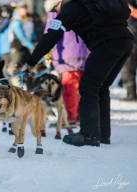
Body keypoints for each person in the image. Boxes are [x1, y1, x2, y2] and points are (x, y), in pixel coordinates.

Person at [25, 0, 134, 147]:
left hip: (106, 44)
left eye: (53, 10)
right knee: (101, 87)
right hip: (125, 40)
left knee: (88, 87)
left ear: (57, 4)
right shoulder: (87, 5)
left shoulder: (69, 8)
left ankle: (89, 135)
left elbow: (51, 36)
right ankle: (102, 135)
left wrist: (31, 61)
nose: (55, 14)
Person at [44, 11, 89, 127]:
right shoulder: (82, 8)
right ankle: (78, 116)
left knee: (70, 89)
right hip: (82, 53)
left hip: (68, 56)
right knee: (79, 88)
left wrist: (46, 50)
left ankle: (70, 118)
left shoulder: (56, 12)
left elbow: (49, 33)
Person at [9, 1, 35, 65]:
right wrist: (31, 47)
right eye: (22, 8)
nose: (24, 10)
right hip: (18, 48)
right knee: (17, 68)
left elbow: (31, 33)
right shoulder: (16, 20)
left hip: (26, 48)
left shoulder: (27, 19)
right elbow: (21, 36)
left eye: (25, 8)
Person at [121, 2, 137, 101]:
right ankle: (131, 94)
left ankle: (131, 95)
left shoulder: (129, 14)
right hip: (132, 45)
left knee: (127, 70)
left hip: (131, 46)